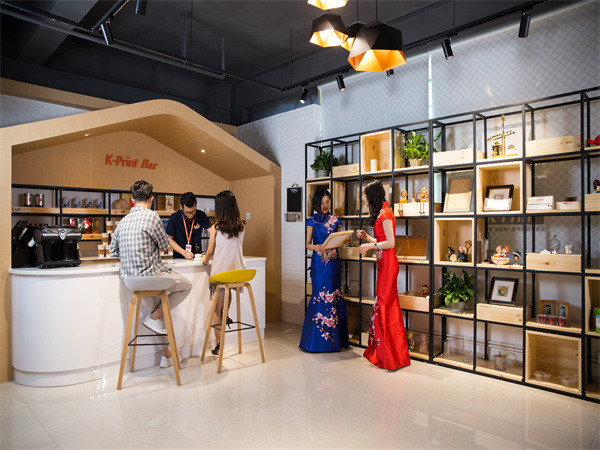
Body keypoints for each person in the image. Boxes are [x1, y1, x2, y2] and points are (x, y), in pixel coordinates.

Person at [109, 180, 192, 369]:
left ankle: (167, 356)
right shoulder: (152, 216)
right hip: (151, 278)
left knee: (156, 312)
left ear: (132, 200)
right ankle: (155, 320)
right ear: (152, 199)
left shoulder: (123, 222)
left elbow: (113, 251)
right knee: (186, 286)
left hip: (130, 281)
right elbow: (164, 245)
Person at [357, 180, 410, 370]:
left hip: (388, 264)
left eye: (367, 198)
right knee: (385, 305)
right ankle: (388, 354)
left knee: (385, 305)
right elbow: (382, 240)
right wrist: (367, 237)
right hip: (383, 263)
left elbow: (391, 243)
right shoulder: (382, 213)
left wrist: (369, 246)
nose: (366, 201)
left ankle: (390, 356)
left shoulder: (386, 214)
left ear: (373, 197)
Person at [299, 186, 349, 352]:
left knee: (334, 295)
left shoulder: (336, 220)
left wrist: (343, 240)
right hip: (319, 264)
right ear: (316, 204)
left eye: (327, 202)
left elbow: (339, 241)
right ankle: (316, 342)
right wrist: (315, 247)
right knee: (319, 295)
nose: (325, 206)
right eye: (322, 203)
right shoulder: (312, 221)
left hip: (333, 263)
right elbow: (307, 244)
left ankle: (335, 341)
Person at [201, 190, 246, 356]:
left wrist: (204, 260)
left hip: (221, 275)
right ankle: (226, 314)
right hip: (238, 274)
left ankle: (218, 344)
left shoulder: (216, 227)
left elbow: (210, 251)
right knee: (229, 289)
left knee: (216, 311)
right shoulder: (242, 226)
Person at [166, 192, 211, 259]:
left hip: (197, 256)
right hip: (179, 257)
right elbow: (169, 239)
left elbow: (212, 232)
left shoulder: (201, 215)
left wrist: (210, 251)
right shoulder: (174, 218)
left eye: (193, 211)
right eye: (187, 212)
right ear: (181, 207)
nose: (191, 215)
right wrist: (184, 252)